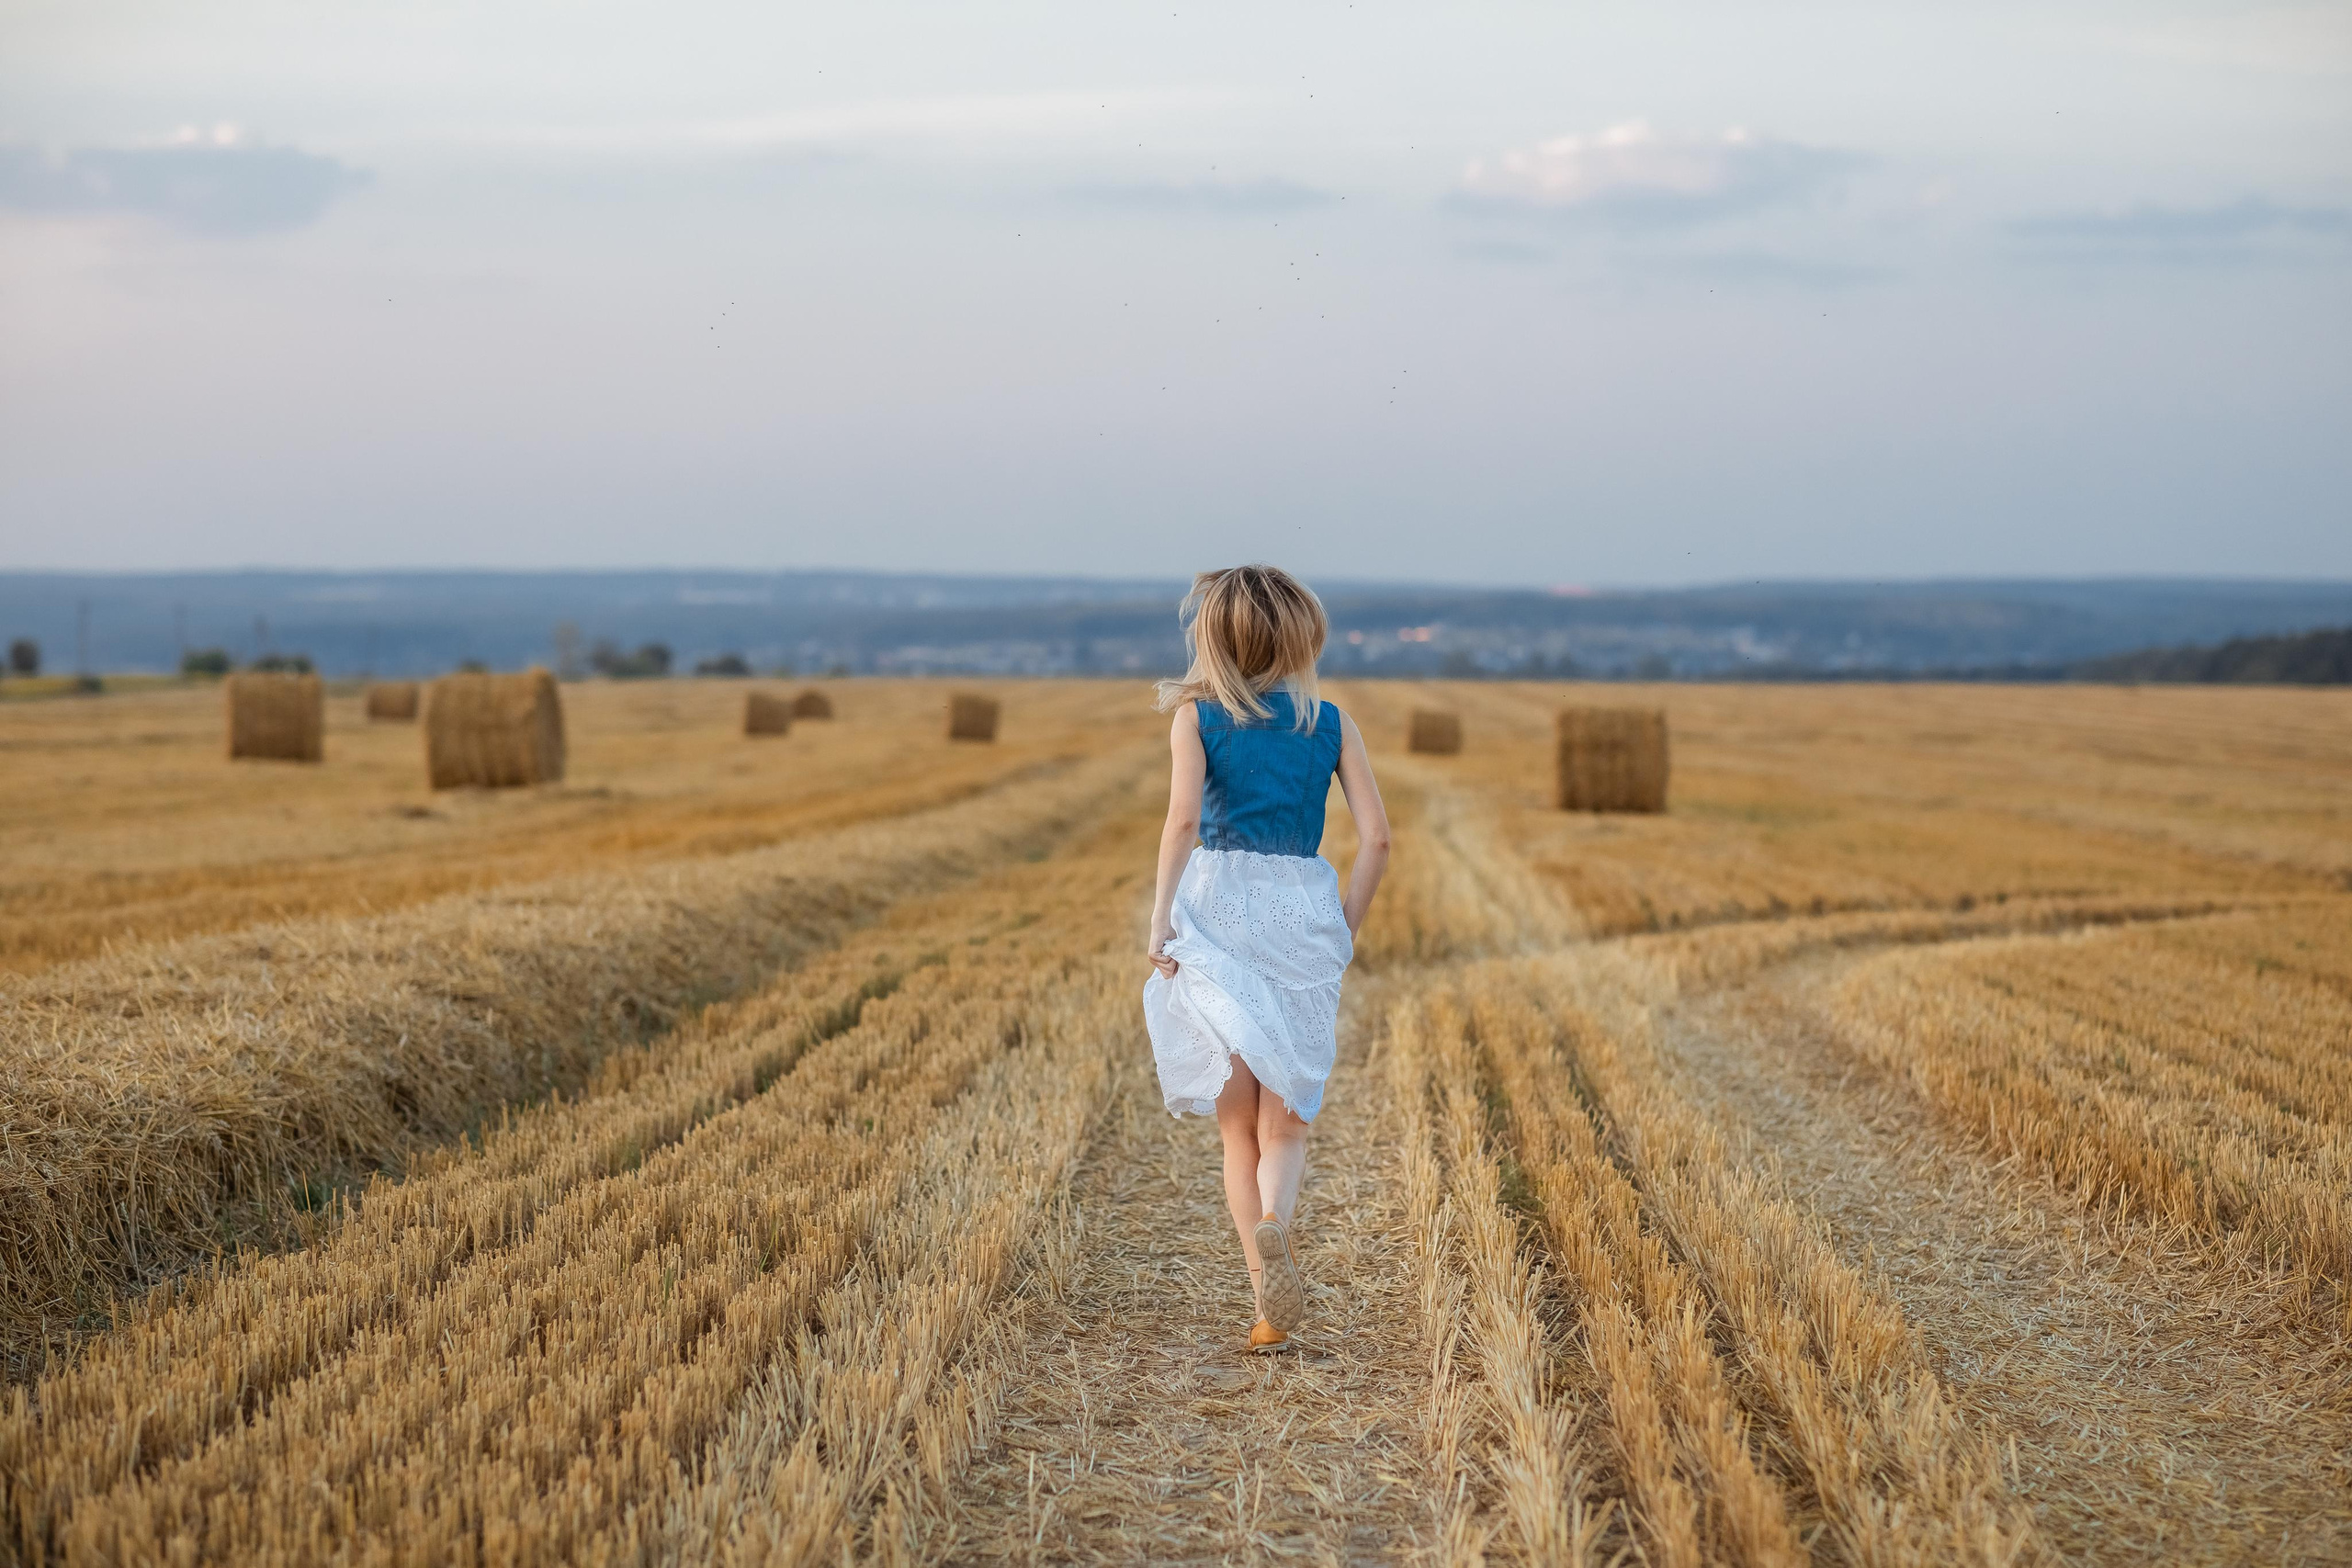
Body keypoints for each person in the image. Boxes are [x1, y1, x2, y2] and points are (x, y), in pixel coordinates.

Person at [1143, 564, 1391, 1355]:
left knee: (1237, 1131)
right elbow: (1378, 839)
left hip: (1220, 912)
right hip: (1302, 917)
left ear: (1213, 637)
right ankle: (1279, 1221)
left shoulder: (1198, 717)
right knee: (1288, 1126)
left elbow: (1183, 822)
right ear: (1300, 636)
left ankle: (1265, 1298)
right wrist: (1343, 924)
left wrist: (1159, 920)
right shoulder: (1330, 719)